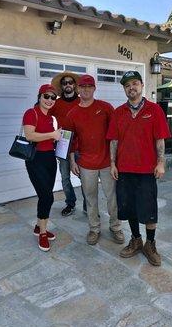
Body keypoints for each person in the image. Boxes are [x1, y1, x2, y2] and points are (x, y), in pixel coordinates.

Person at [107, 71, 171, 266]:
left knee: (149, 209)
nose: (131, 88)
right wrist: (112, 163)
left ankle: (150, 244)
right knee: (129, 208)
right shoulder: (118, 112)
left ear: (142, 85)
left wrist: (160, 162)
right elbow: (114, 140)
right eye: (127, 85)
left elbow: (160, 139)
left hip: (146, 171)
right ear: (124, 89)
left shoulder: (154, 110)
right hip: (125, 170)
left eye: (135, 83)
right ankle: (136, 240)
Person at [67, 74, 124, 245]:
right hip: (86, 164)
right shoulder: (72, 114)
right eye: (82, 86)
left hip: (107, 163)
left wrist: (116, 160)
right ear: (78, 89)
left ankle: (116, 227)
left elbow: (115, 134)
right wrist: (72, 161)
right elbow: (69, 140)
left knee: (112, 197)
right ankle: (94, 229)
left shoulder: (105, 108)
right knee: (90, 198)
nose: (85, 89)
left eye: (89, 86)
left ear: (94, 88)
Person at [23, 84, 61, 252]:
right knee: (47, 197)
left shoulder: (51, 117)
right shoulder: (31, 113)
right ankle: (43, 233)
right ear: (39, 97)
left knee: (44, 195)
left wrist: (59, 139)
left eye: (53, 97)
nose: (50, 100)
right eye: (46, 96)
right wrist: (52, 135)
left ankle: (39, 226)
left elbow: (50, 139)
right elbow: (30, 135)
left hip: (50, 158)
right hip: (35, 159)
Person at [51, 71, 81, 216]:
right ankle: (70, 203)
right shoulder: (56, 103)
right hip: (63, 144)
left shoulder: (82, 102)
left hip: (81, 146)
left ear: (74, 85)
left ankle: (89, 206)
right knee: (64, 177)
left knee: (85, 178)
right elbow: (42, 111)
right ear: (62, 87)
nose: (68, 85)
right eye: (64, 83)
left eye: (70, 82)